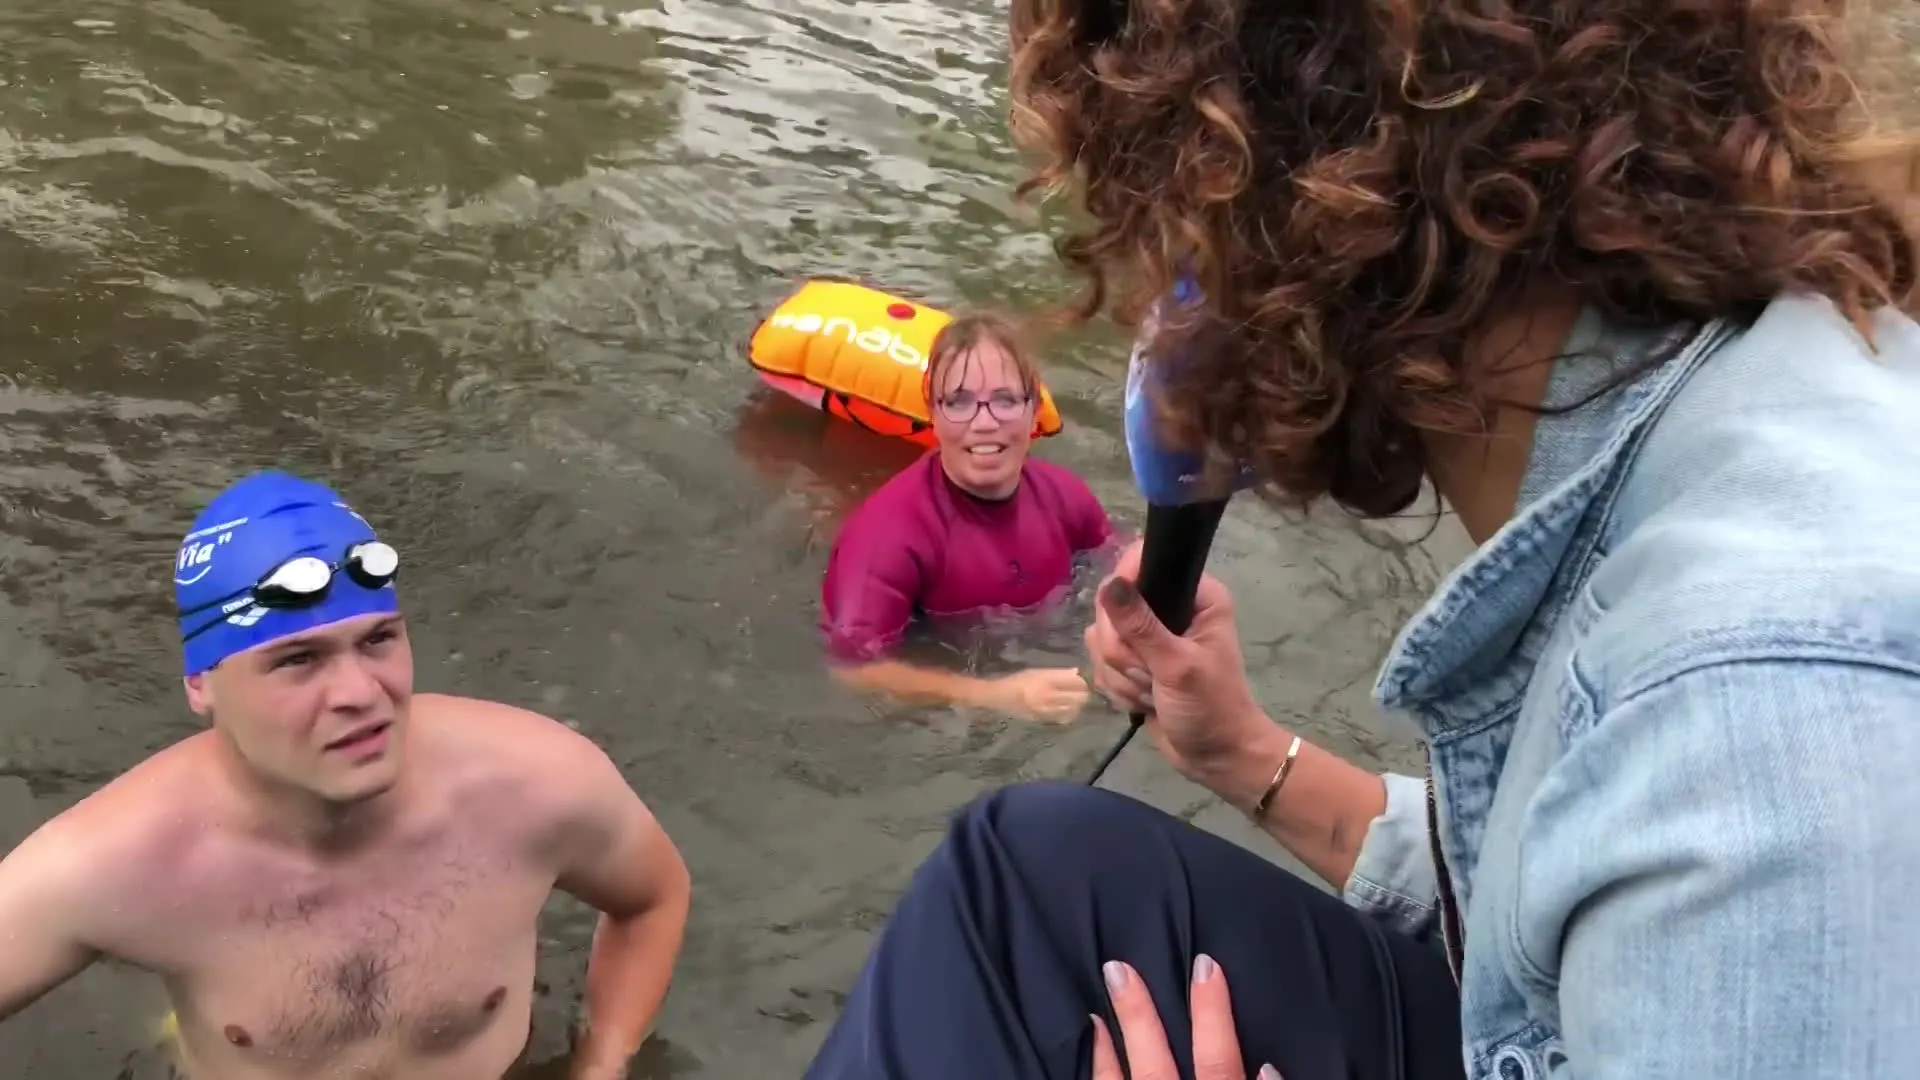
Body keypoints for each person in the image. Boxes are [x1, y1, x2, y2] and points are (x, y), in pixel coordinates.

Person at [803, 1, 1920, 1078]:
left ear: (1259, 198)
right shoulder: (1759, 426)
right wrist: (1239, 751)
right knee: (1033, 882)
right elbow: (1559, 908)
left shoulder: (1761, 731)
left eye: (1158, 233)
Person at [0, 471, 692, 1080]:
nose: (359, 692)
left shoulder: (535, 784)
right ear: (201, 685)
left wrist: (602, 1064)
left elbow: (654, 897)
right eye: (298, 660)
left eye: (378, 640)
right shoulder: (116, 863)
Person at [822, 311, 1113, 723]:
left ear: (1034, 412)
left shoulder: (1065, 495)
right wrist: (994, 695)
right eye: (958, 402)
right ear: (933, 415)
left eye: (1005, 400)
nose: (984, 423)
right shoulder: (887, 537)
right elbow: (851, 669)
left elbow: (1118, 563)